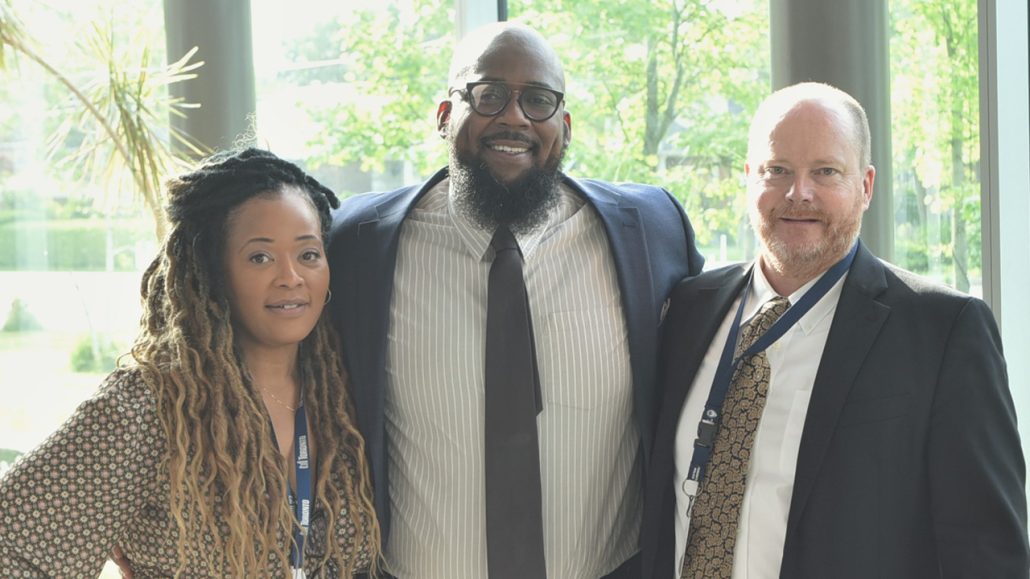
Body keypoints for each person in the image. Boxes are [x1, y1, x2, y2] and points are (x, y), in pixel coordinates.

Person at [328, 22, 704, 579]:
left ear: (564, 127)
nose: (514, 117)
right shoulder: (357, 242)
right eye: (488, 94)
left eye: (538, 100)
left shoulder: (651, 229)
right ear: (443, 116)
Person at [640, 82, 1029, 578]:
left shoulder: (943, 331)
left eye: (825, 171)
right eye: (776, 170)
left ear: (865, 186)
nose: (798, 192)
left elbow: (986, 550)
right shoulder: (689, 308)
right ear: (748, 178)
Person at [0, 149, 380, 577]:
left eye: (308, 254)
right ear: (211, 271)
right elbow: (13, 545)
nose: (290, 276)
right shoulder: (148, 407)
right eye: (260, 257)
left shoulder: (348, 393)